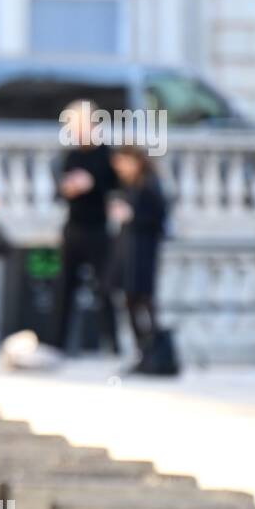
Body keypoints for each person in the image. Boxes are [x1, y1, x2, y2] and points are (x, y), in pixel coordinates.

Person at [48, 99, 120, 354]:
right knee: (64, 288)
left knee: (105, 288)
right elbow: (59, 192)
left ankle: (112, 344)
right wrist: (68, 188)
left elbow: (116, 189)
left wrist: (92, 184)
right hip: (74, 228)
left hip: (98, 229)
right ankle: (58, 343)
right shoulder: (71, 156)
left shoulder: (107, 155)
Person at [109, 144, 177, 375]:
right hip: (129, 253)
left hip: (143, 253)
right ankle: (144, 352)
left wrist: (132, 215)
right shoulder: (129, 185)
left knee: (145, 301)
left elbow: (159, 218)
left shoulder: (150, 184)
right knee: (131, 301)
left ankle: (153, 352)